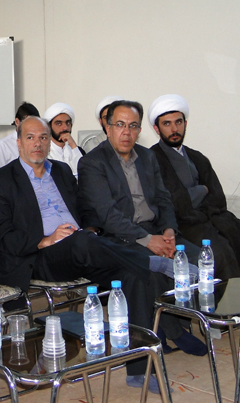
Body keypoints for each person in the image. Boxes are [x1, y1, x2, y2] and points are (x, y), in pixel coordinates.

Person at [0, 116, 190, 392]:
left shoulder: (61, 170)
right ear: (19, 142)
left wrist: (91, 229)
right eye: (30, 138)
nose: (37, 144)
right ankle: (152, 261)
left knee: (135, 276)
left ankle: (139, 370)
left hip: (84, 249)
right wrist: (44, 240)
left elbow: (86, 209)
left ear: (49, 142)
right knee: (84, 242)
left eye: (43, 137)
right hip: (38, 257)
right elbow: (0, 235)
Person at [77, 100, 207, 356]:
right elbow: (108, 215)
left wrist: (168, 231)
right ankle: (172, 331)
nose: (126, 132)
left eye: (133, 126)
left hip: (154, 229)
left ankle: (181, 321)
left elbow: (163, 199)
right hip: (118, 236)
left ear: (139, 130)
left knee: (196, 259)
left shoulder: (147, 157)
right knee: (153, 269)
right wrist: (148, 240)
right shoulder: (92, 163)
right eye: (120, 125)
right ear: (108, 127)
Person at [148, 94, 240, 281]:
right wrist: (201, 190)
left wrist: (194, 197)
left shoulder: (197, 157)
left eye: (178, 122)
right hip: (186, 225)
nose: (174, 129)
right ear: (157, 128)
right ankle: (234, 300)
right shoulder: (151, 159)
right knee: (220, 254)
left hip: (216, 218)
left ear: (185, 124)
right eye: (167, 124)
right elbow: (172, 202)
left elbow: (218, 198)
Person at [0, 102, 39, 170]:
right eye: (28, 124)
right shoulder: (3, 145)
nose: (32, 128)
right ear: (17, 122)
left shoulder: (39, 143)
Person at [43, 102, 85, 177]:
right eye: (59, 124)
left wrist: (73, 146)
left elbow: (85, 175)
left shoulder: (78, 151)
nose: (65, 128)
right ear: (48, 127)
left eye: (68, 123)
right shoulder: (44, 153)